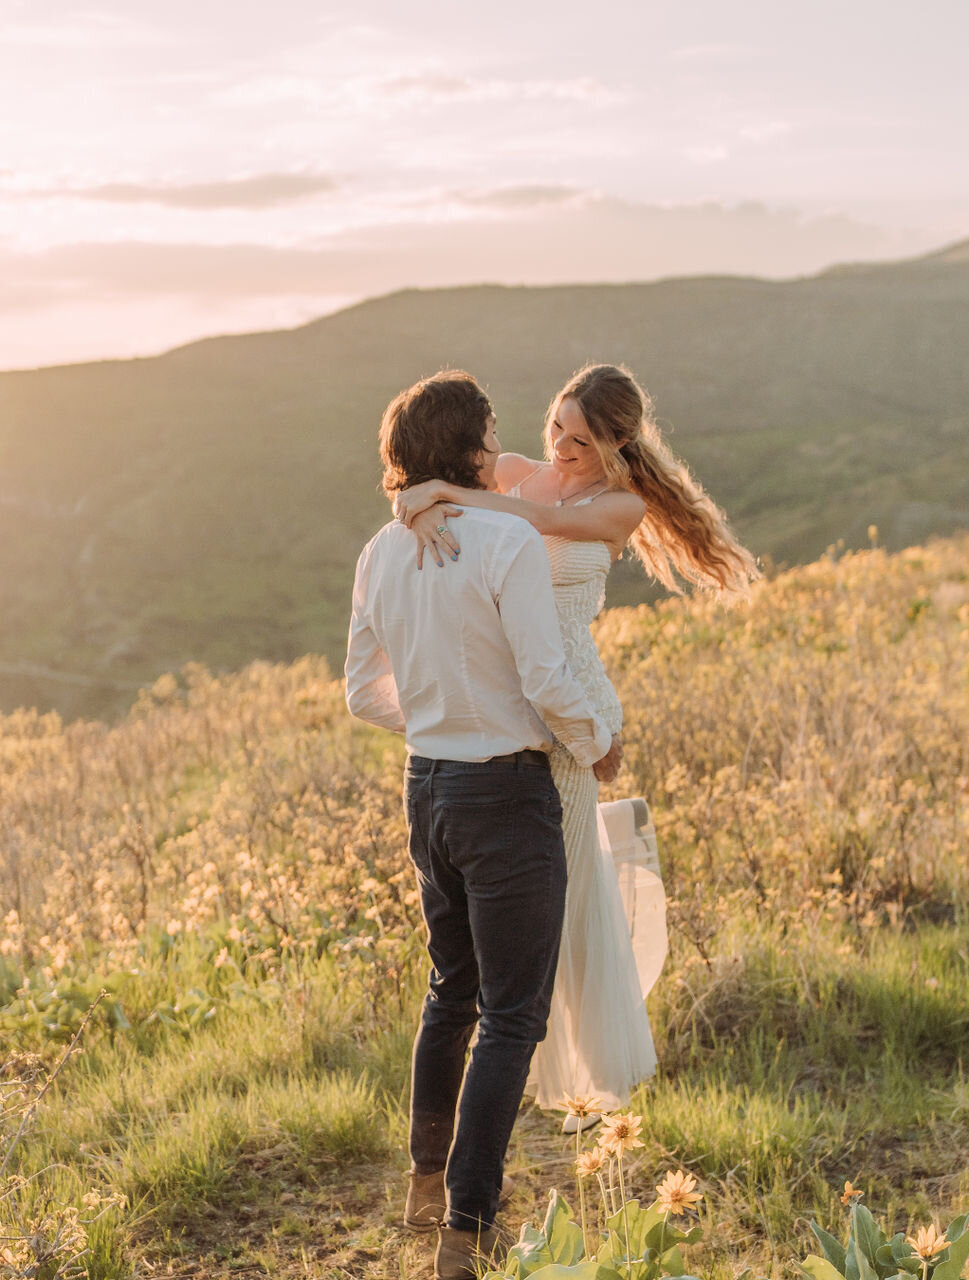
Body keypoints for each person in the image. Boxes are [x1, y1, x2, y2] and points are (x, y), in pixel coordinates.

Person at [393, 363, 759, 1123]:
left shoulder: (617, 507)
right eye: (555, 426)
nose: (558, 447)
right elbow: (438, 488)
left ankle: (561, 1056)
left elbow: (537, 526)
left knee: (563, 880)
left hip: (571, 703)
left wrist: (443, 497)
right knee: (542, 877)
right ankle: (520, 1042)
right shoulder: (522, 472)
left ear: (619, 444)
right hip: (520, 691)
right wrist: (413, 500)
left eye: (580, 439)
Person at [344, 370, 622, 1280]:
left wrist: (435, 721)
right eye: (493, 429)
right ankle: (466, 1227)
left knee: (449, 991)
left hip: (427, 789)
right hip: (506, 796)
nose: (505, 442)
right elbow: (547, 678)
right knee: (512, 1016)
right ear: (467, 444)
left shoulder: (380, 553)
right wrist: (598, 742)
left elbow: (359, 693)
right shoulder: (504, 539)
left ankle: (428, 1184)